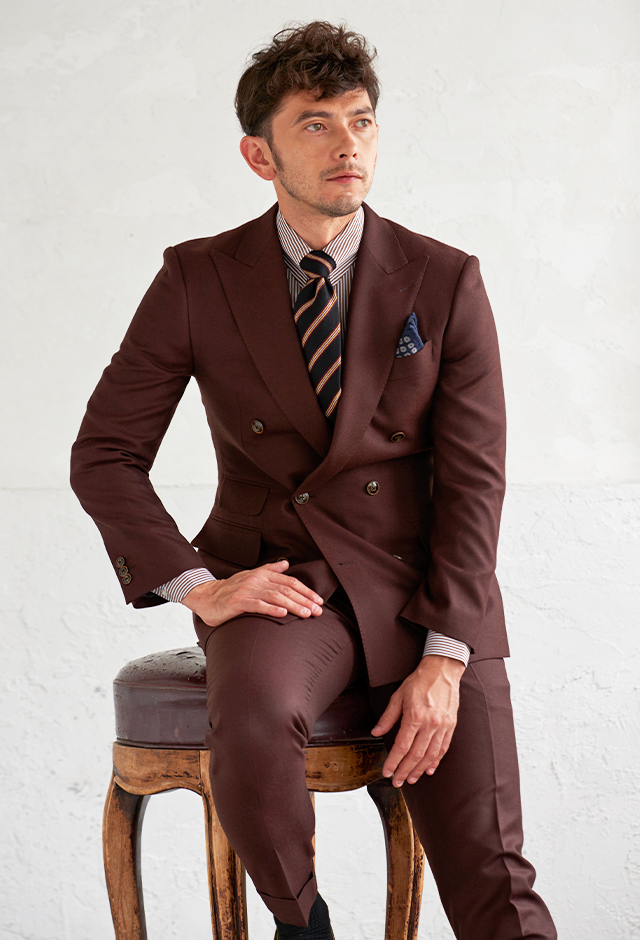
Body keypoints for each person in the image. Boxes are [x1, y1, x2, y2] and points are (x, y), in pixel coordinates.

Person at [71, 21, 557, 940]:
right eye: (316, 125)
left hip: (424, 588)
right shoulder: (197, 278)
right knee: (252, 723)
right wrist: (200, 586)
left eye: (361, 122)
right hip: (282, 584)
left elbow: (474, 482)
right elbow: (104, 453)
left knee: (495, 877)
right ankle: (304, 927)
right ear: (259, 155)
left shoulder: (445, 279)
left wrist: (447, 655)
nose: (348, 146)